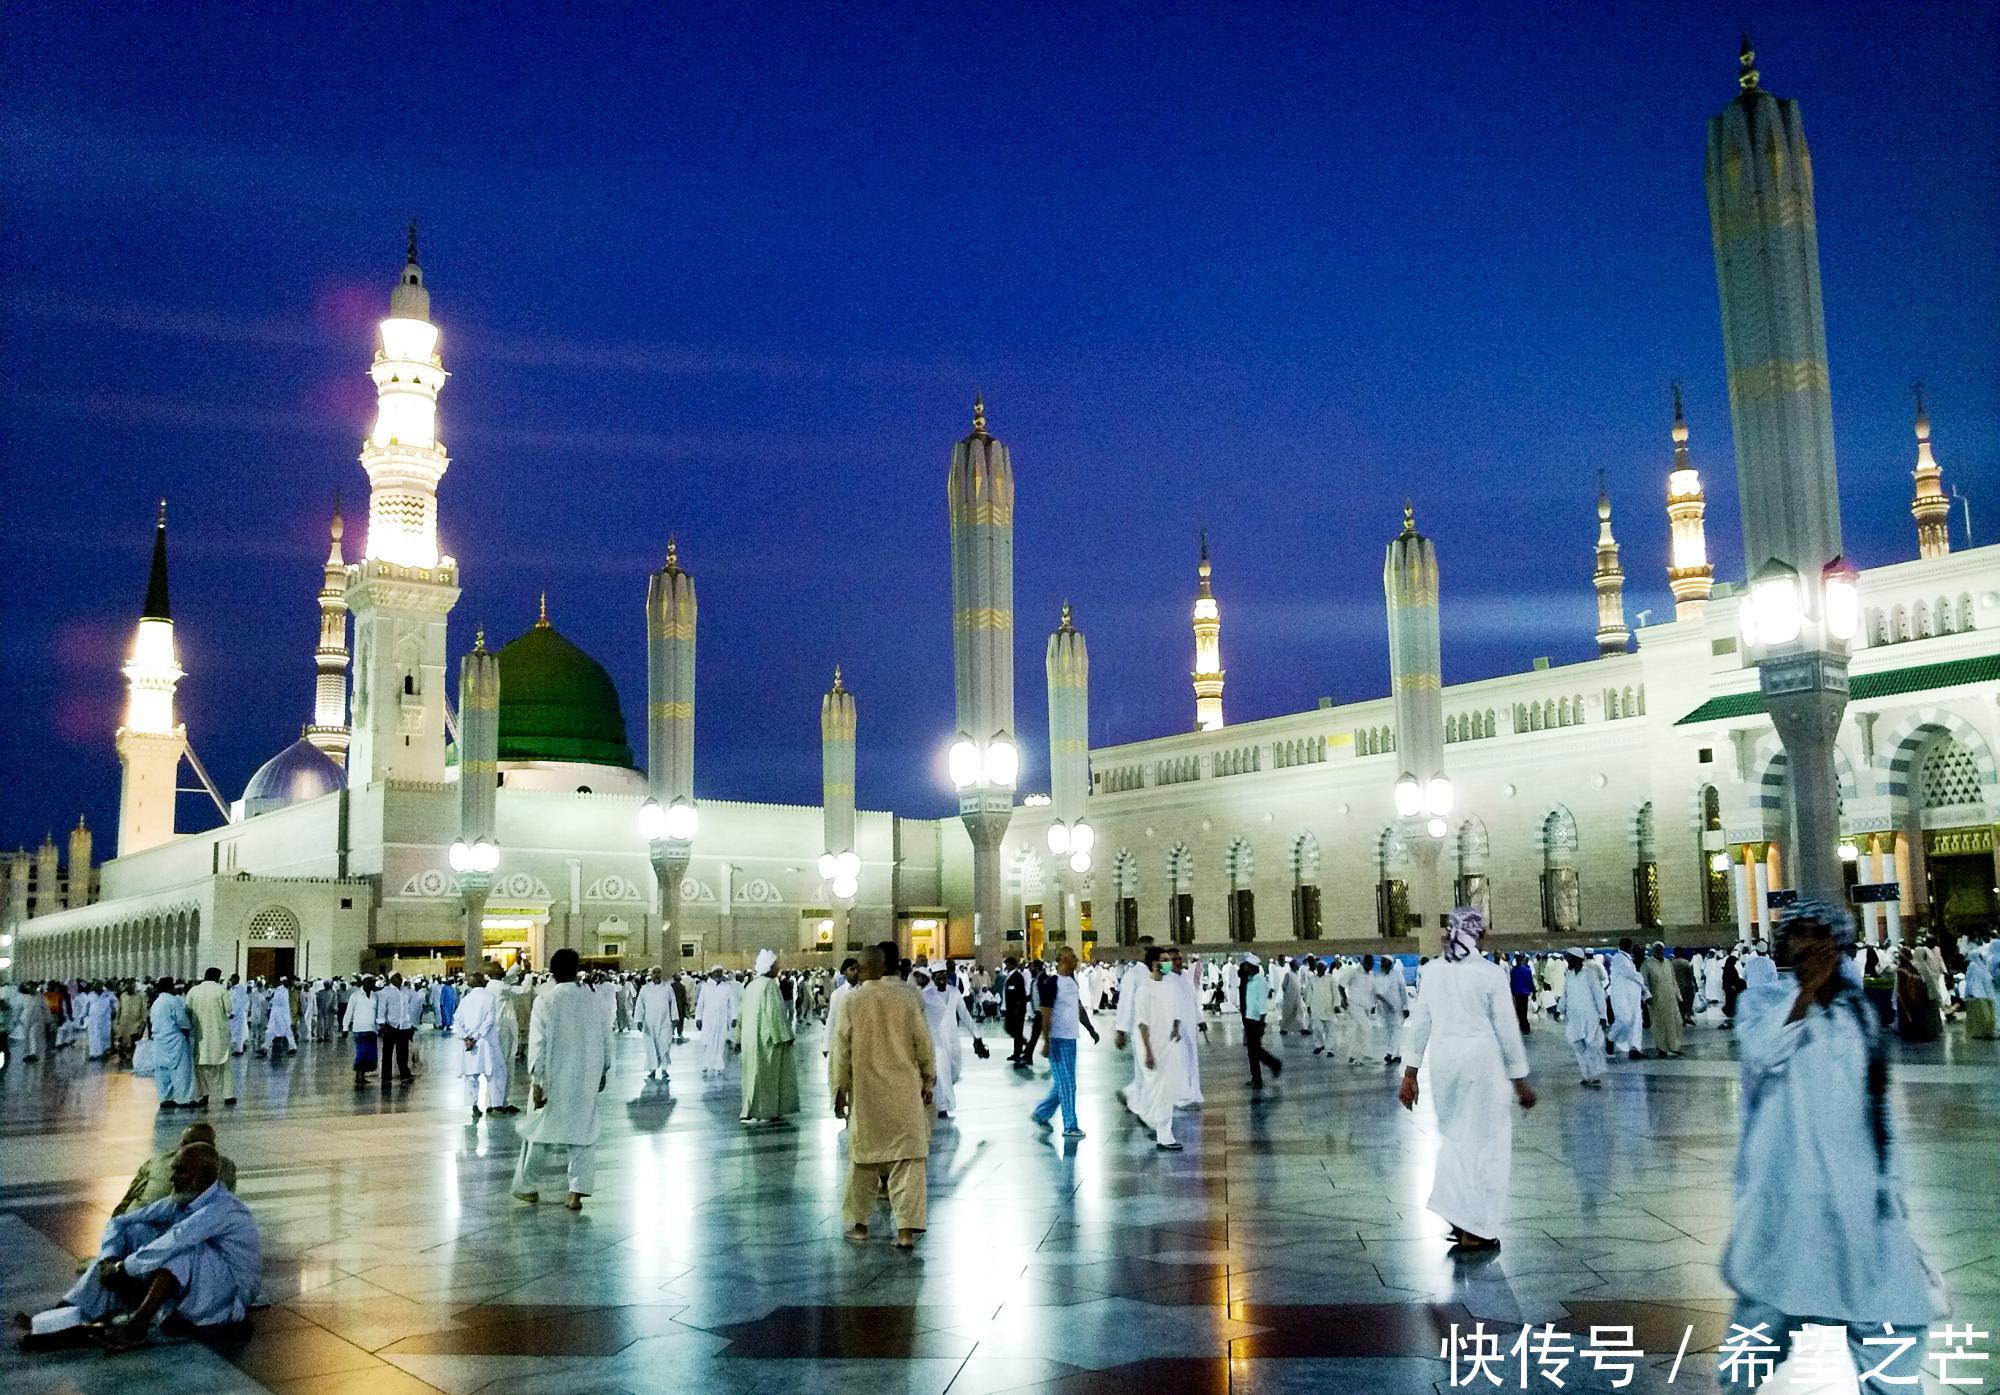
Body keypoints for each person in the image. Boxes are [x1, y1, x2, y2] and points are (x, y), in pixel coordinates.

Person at [1719, 901, 1942, 1392]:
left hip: (1858, 1198)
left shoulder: (1857, 1013)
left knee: (1892, 1321)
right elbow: (1762, 1053)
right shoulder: (1762, 1003)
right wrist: (1806, 994)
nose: (1810, 944)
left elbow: (1875, 1110)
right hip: (1787, 1196)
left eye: (1820, 933)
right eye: (1799, 933)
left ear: (1839, 944)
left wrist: (1889, 1188)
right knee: (1757, 1335)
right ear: (1786, 946)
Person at [22, 1143, 259, 1353]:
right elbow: (120, 1222)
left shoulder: (223, 1207)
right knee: (136, 1231)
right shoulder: (183, 1199)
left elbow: (177, 1239)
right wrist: (110, 1260)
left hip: (229, 1294)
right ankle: (67, 1314)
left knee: (180, 1249)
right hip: (196, 1285)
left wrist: (123, 1268)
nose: (172, 1178)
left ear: (204, 1175)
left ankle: (138, 1325)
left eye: (180, 1170)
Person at [1397, 908, 1535, 1251]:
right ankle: (1477, 1229)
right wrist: (1520, 1081)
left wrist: (1410, 1074)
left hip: (1445, 1064)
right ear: (1478, 935)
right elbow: (1506, 1029)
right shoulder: (1489, 973)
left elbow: (1420, 1023)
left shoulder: (1431, 972)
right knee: (1488, 1143)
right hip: (1481, 1064)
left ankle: (1459, 1217)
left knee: (1456, 1138)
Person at [830, 941, 935, 1249]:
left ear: (861, 969)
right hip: (904, 1092)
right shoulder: (906, 998)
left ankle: (860, 1226)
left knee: (864, 1160)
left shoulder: (851, 1002)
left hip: (868, 1094)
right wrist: (928, 1079)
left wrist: (839, 1090)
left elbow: (841, 1052)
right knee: (908, 1160)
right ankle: (905, 1232)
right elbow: (923, 1043)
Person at [512, 949, 611, 1212]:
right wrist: (603, 1069)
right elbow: (606, 1037)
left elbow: (538, 1045)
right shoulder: (594, 999)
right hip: (586, 1076)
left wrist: (537, 1080)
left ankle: (527, 1187)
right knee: (583, 1132)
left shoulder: (546, 1001)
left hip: (553, 1079)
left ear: (553, 972)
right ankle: (576, 1192)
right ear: (576, 969)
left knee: (542, 1132)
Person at [1031, 946, 1097, 1137]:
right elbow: (1046, 1013)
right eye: (1072, 956)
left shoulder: (1072, 982)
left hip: (1070, 1039)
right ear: (1062, 960)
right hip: (1057, 1040)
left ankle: (1041, 1113)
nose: (1076, 959)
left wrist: (1090, 1029)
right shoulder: (1052, 983)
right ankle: (1070, 1125)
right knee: (1067, 1084)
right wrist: (1046, 1040)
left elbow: (1078, 1008)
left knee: (1062, 1082)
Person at [1131, 946, 1190, 1149]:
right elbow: (1142, 1023)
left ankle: (1153, 1123)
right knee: (1159, 1090)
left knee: (1165, 1090)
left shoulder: (1170, 986)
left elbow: (1176, 1010)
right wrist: (1148, 1052)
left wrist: (1176, 1028)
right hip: (1151, 1046)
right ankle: (1163, 1135)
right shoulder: (1144, 990)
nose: (1168, 963)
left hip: (1168, 1045)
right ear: (1154, 963)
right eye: (1164, 960)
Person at [112, 1124, 239, 1217]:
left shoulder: (157, 1162)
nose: (173, 1177)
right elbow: (227, 1204)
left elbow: (129, 1198)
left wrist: (115, 1224)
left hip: (139, 1222)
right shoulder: (226, 1167)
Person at [737, 949, 800, 1124]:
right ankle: (762, 1110)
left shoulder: (751, 986)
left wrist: (738, 1038)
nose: (778, 968)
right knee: (765, 1076)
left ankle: (751, 1109)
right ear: (769, 967)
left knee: (751, 1075)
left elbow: (741, 1014)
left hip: (750, 1039)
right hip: (766, 1040)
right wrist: (786, 1035)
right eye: (776, 965)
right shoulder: (769, 986)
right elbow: (774, 1013)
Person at [916, 962, 979, 1120]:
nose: (941, 978)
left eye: (943, 975)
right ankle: (942, 1105)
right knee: (941, 1071)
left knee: (954, 1070)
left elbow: (964, 1014)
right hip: (936, 1039)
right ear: (933, 977)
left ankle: (943, 1097)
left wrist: (977, 1036)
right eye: (938, 976)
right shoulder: (925, 995)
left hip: (953, 1038)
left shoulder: (954, 992)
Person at [455, 970, 511, 1119]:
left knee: (472, 1076)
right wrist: (476, 1037)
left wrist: (466, 1037)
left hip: (469, 1044)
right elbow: (489, 1020)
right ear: (482, 982)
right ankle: (496, 1105)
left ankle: (474, 1105)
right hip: (486, 1042)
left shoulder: (465, 999)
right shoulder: (489, 997)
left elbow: (457, 1021)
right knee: (496, 1073)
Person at [1559, 949, 1608, 1087]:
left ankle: (1595, 1075)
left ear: (1577, 959)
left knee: (1592, 1045)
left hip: (1589, 1016)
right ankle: (1586, 1075)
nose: (1567, 961)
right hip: (1574, 1017)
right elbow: (1565, 993)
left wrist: (1602, 1015)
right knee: (1578, 1046)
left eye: (1569, 958)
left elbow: (1598, 995)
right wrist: (1559, 1009)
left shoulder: (1589, 973)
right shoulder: (1569, 975)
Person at [185, 968, 233, 1108]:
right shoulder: (221, 990)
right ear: (217, 977)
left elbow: (187, 1011)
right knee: (223, 1067)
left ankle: (203, 1095)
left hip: (200, 1035)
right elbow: (229, 1009)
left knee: (200, 1067)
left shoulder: (193, 991)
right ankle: (228, 1096)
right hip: (218, 1034)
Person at [147, 980, 197, 1108]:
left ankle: (166, 1098)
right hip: (175, 1040)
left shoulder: (156, 1003)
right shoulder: (173, 1001)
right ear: (169, 988)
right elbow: (182, 1021)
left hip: (159, 1041)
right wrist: (187, 1033)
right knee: (181, 1070)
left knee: (163, 1071)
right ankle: (183, 1098)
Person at [1239, 956, 1283, 1088]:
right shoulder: (1250, 980)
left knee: (1254, 1050)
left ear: (1251, 967)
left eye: (1246, 965)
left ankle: (1272, 1066)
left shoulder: (1260, 982)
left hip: (1256, 1021)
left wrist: (1262, 1023)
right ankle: (1260, 1075)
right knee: (1253, 1050)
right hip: (1249, 1019)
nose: (1245, 967)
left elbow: (1262, 1004)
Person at [1605, 940, 1648, 1061]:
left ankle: (1634, 1049)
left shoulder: (1628, 959)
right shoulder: (1619, 958)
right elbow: (1630, 973)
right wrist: (1640, 978)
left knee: (1636, 1022)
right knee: (1624, 1020)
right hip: (1621, 997)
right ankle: (1611, 1038)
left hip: (1632, 997)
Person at [1640, 944, 1683, 1057]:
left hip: (1671, 999)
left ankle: (1674, 1047)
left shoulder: (1668, 962)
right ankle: (1661, 1048)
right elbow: (1643, 983)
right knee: (1659, 1024)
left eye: (1661, 949)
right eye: (1657, 949)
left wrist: (1678, 996)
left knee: (1676, 1022)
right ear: (1654, 950)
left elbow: (1673, 980)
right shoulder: (1647, 964)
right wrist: (1647, 997)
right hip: (1657, 999)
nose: (1660, 951)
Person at [693, 967, 737, 1077]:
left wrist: (734, 1017)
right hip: (708, 1020)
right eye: (716, 972)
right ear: (711, 974)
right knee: (707, 1041)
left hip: (722, 1020)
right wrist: (698, 1018)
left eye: (720, 972)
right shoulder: (705, 987)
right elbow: (700, 1004)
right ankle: (706, 1064)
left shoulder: (726, 987)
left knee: (720, 1042)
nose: (718, 974)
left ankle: (718, 1065)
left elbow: (732, 1003)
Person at [635, 967, 675, 1081]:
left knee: (665, 1044)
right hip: (650, 1022)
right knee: (651, 1046)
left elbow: (673, 1003)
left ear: (661, 974)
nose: (656, 975)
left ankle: (664, 1069)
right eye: (654, 973)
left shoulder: (667, 988)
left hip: (665, 1022)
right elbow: (640, 1005)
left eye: (658, 973)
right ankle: (652, 1070)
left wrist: (675, 1017)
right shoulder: (645, 989)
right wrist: (639, 1020)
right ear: (651, 975)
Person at [342, 976, 380, 1085]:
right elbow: (349, 1011)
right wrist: (345, 1027)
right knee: (361, 1052)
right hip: (359, 1028)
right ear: (364, 983)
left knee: (369, 1054)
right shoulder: (355, 996)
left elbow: (377, 1012)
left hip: (371, 1028)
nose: (372, 984)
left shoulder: (375, 996)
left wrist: (379, 1026)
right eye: (370, 982)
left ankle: (362, 1075)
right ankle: (358, 1075)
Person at [1371, 954, 1409, 1064]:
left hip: (1397, 1008)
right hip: (1384, 1009)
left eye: (1385, 962)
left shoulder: (1397, 975)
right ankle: (1397, 1055)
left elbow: (1403, 991)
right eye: (1382, 962)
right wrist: (1373, 1005)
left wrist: (1406, 1007)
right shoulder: (1378, 976)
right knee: (1389, 1032)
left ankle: (1389, 1053)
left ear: (1390, 963)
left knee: (1396, 1030)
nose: (1382, 964)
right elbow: (1375, 993)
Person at [1001, 956, 1032, 1066]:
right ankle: (1019, 1049)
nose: (1006, 966)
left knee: (1015, 1030)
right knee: (1011, 1029)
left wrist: (1017, 1008)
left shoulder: (1017, 977)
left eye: (1008, 964)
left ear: (1013, 965)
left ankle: (1019, 1051)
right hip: (1010, 1009)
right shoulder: (1009, 976)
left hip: (1017, 1010)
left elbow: (1020, 994)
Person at [263, 978, 295, 1058]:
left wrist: (270, 1000)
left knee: (287, 1032)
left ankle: (293, 1047)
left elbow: (280, 1001)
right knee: (271, 1031)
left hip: (282, 1016)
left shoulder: (284, 991)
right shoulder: (279, 990)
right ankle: (264, 1048)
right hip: (277, 1015)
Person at [1508, 955, 1534, 1036]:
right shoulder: (1527, 969)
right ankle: (1525, 1027)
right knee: (1523, 1010)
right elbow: (1530, 982)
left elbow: (1512, 983)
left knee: (1519, 1011)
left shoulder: (1513, 970)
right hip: (1524, 993)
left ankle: (1523, 1026)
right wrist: (1533, 991)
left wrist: (1511, 992)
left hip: (1517, 993)